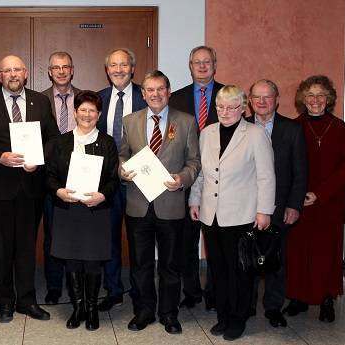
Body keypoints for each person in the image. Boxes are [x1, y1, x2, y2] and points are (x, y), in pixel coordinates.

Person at [0, 54, 60, 323]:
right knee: (3, 247)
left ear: (26, 73)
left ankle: (27, 300)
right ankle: (5, 300)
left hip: (31, 187)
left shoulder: (40, 101)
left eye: (17, 69)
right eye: (7, 70)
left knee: (27, 246)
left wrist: (39, 158)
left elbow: (54, 138)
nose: (13, 74)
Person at [189, 85, 275, 341]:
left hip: (242, 215)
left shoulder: (256, 134)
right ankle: (223, 316)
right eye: (220, 107)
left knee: (240, 271)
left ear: (243, 107)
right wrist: (195, 200)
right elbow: (203, 173)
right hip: (210, 215)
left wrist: (264, 211)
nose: (225, 112)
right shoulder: (207, 133)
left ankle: (238, 318)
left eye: (231, 107)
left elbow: (266, 176)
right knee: (218, 269)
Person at [120, 71, 200, 334]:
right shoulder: (130, 121)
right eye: (150, 90)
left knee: (170, 265)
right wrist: (121, 170)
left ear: (168, 91)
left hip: (171, 204)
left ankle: (168, 313)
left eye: (160, 89)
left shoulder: (186, 122)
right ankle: (143, 311)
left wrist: (183, 179)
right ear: (142, 93)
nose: (155, 94)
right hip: (138, 204)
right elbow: (122, 154)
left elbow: (194, 162)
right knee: (140, 263)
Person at [46, 90, 118, 330]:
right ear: (75, 113)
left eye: (92, 111)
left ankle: (91, 308)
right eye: (83, 110)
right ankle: (77, 308)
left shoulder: (107, 143)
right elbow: (50, 175)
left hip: (96, 211)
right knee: (73, 262)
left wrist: (102, 195)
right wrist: (58, 192)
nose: (87, 114)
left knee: (93, 263)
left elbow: (113, 179)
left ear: (99, 115)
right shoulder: (60, 142)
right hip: (68, 210)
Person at [284, 75, 345, 322]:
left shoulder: (340, 128)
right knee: (298, 250)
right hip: (298, 201)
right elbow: (286, 166)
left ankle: (326, 299)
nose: (315, 100)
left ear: (329, 99)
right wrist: (299, 196)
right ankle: (298, 297)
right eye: (310, 95)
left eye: (321, 95)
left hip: (328, 202)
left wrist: (319, 194)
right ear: (303, 99)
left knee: (326, 252)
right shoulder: (294, 126)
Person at [246, 79, 308, 328]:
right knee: (247, 258)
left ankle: (273, 308)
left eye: (267, 97)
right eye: (257, 97)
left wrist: (295, 205)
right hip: (246, 207)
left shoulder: (292, 129)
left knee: (276, 261)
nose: (262, 102)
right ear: (249, 101)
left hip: (281, 207)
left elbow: (300, 172)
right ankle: (247, 305)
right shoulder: (240, 127)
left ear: (277, 100)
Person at [169, 45, 225, 311]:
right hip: (187, 180)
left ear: (215, 64)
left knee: (217, 242)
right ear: (189, 66)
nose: (202, 66)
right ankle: (191, 290)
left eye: (207, 62)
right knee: (186, 242)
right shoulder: (176, 99)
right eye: (197, 62)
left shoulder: (228, 96)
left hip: (221, 183)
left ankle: (216, 291)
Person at [96, 48, 147, 312]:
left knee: (139, 240)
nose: (118, 69)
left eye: (123, 65)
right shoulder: (99, 99)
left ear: (132, 68)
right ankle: (113, 290)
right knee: (109, 239)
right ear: (107, 70)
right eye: (113, 65)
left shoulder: (145, 96)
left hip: (139, 181)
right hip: (107, 182)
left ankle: (140, 292)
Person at [41, 51, 82, 304]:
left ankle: (76, 283)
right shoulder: (38, 100)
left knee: (78, 233)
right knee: (53, 235)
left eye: (66, 66)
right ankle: (54, 286)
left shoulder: (87, 98)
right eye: (56, 67)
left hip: (82, 177)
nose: (61, 71)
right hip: (52, 178)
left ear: (72, 69)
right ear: (49, 71)